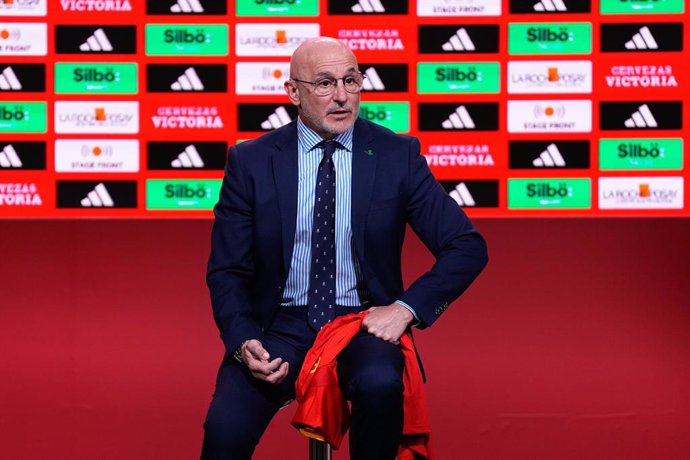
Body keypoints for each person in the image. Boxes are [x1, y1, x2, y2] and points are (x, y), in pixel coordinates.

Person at [201, 37, 488, 460]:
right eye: (324, 83)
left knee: (380, 386)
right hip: (277, 327)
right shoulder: (252, 161)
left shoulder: (396, 155)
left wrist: (405, 309)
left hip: (361, 322)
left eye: (351, 81)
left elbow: (467, 246)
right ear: (293, 92)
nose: (341, 96)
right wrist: (243, 340)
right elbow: (227, 271)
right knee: (223, 432)